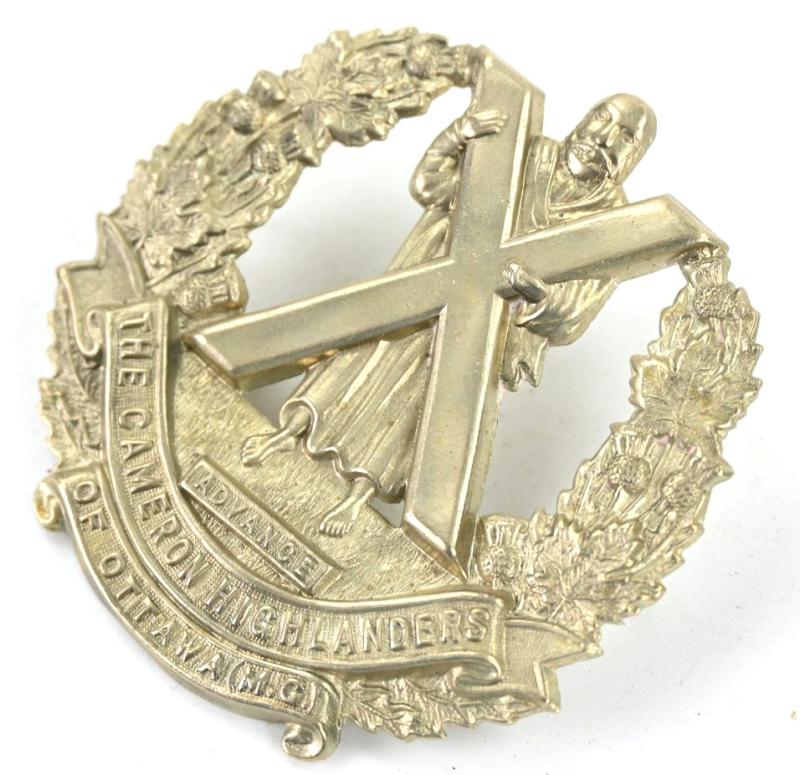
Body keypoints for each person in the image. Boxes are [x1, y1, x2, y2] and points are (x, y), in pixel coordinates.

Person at [240, 94, 657, 537]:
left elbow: (574, 314)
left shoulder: (613, 227)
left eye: (624, 136)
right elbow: (432, 188)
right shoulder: (521, 152)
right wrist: (457, 136)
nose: (603, 138)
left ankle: (358, 498)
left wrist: (536, 292)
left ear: (632, 157)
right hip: (425, 286)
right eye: (601, 119)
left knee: (423, 407)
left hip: (484, 329)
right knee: (362, 359)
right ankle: (287, 435)